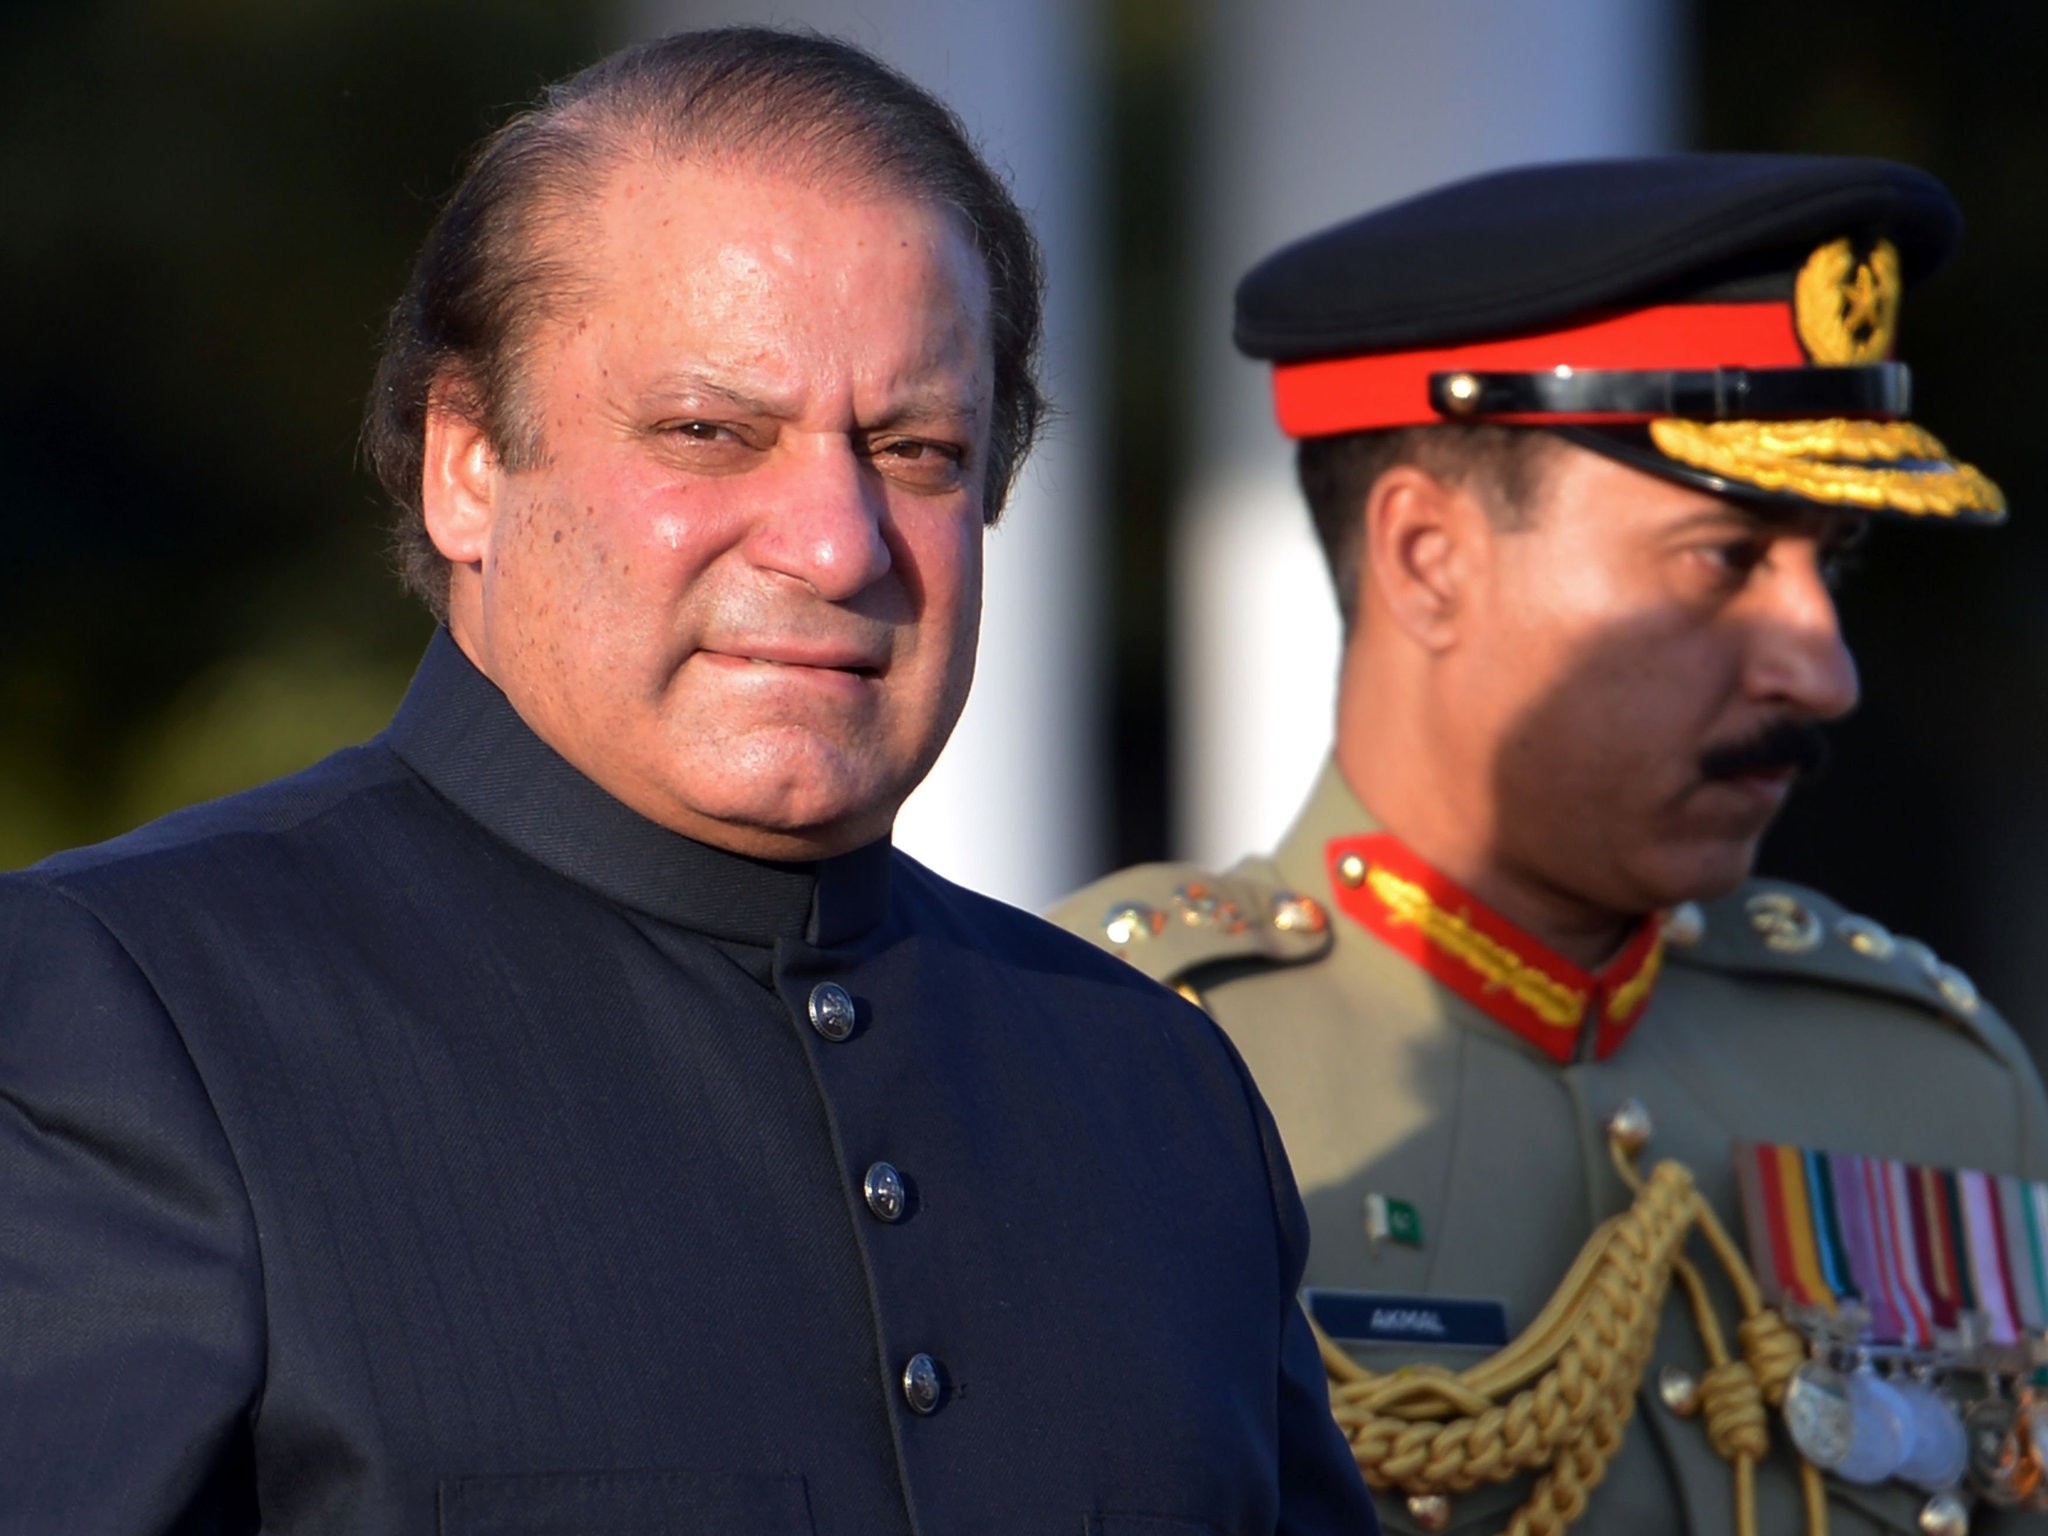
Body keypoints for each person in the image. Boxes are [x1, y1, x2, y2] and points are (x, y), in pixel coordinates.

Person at [0, 29, 1377, 1535]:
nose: (837, 544)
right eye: (710, 433)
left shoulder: (1160, 1096)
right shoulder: (141, 1020)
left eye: (916, 449)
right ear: (468, 467)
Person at [1053, 155, 2048, 1536]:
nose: (1825, 674)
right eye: (1723, 558)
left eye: (1832, 564)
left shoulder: (1931, 1082)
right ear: (1428, 557)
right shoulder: (1099, 1065)